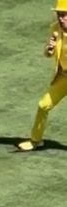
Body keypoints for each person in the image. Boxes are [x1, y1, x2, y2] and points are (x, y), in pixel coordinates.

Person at [18, 1, 67, 151]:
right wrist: (49, 49)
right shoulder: (55, 29)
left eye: (64, 14)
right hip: (63, 77)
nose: (60, 18)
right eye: (58, 14)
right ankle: (36, 140)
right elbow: (47, 54)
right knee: (43, 105)